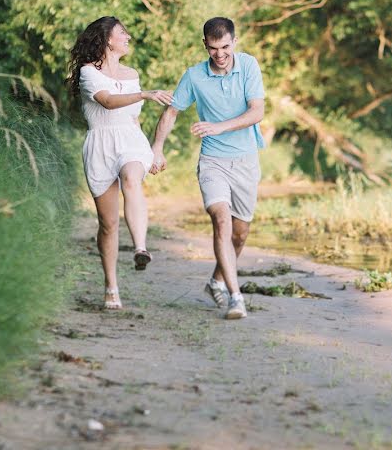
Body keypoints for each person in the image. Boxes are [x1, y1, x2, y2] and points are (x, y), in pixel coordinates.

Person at [149, 17, 265, 320]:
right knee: (222, 221)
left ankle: (215, 281)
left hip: (245, 161)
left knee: (239, 235)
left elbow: (257, 111)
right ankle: (235, 297)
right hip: (212, 161)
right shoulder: (194, 76)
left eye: (225, 46)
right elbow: (172, 111)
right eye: (213, 48)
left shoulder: (249, 66)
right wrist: (156, 148)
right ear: (205, 45)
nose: (220, 54)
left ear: (234, 42)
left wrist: (219, 127)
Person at [66, 16, 173, 309]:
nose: (127, 37)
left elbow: (132, 117)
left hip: (130, 140)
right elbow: (109, 102)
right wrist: (144, 94)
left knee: (131, 178)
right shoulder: (89, 73)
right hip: (101, 144)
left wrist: (152, 152)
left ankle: (140, 247)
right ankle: (111, 287)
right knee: (108, 224)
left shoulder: (132, 72)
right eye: (122, 33)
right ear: (106, 39)